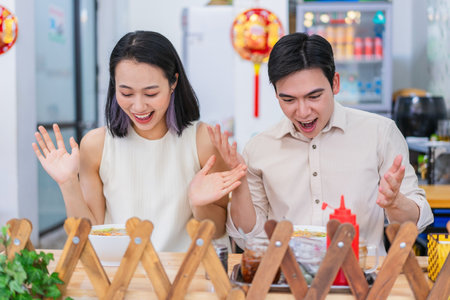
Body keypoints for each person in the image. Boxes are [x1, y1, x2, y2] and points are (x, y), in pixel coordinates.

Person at [202, 32, 434, 254]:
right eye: (289, 99)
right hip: (288, 281)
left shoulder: (380, 133)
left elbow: (415, 224)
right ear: (276, 94)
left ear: (335, 83)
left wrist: (394, 203)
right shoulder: (259, 148)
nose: (303, 112)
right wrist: (239, 183)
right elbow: (248, 237)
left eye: (314, 97)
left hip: (363, 280)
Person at [32, 31, 246, 252]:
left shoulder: (203, 140)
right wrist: (68, 183)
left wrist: (199, 204)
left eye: (151, 93)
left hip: (185, 274)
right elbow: (88, 234)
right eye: (126, 93)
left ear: (173, 83)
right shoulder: (96, 145)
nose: (139, 106)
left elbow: (218, 229)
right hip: (121, 274)